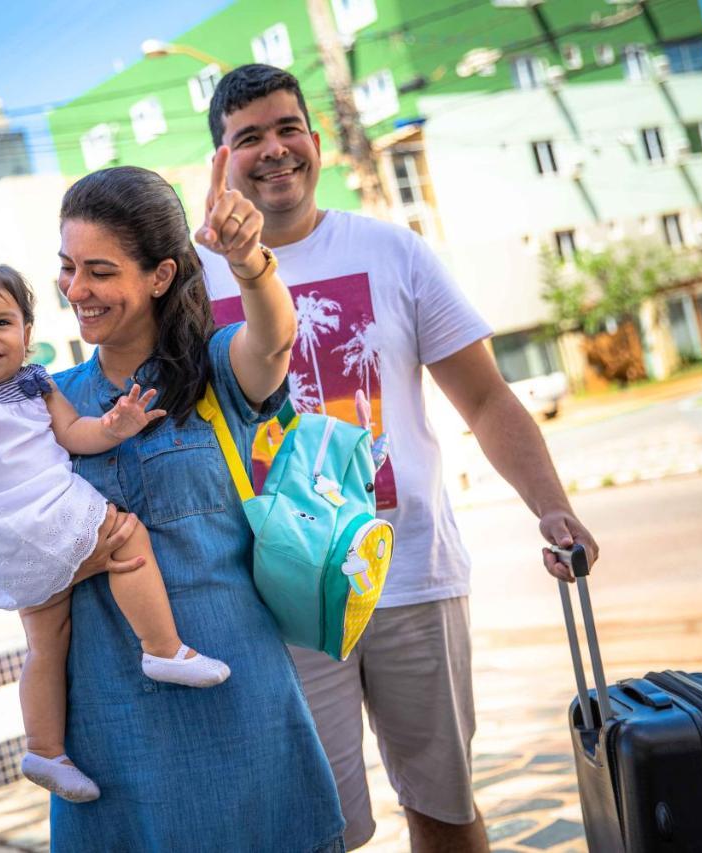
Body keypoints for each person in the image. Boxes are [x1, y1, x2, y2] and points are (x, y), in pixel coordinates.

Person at [197, 64, 601, 852]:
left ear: (316, 142)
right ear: (220, 161)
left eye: (288, 129)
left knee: (443, 810)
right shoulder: (194, 279)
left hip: (410, 570)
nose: (274, 150)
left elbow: (485, 398)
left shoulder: (392, 251)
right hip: (277, 598)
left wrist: (553, 507)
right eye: (249, 138)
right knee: (318, 828)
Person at [50, 162, 346, 850]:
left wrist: (248, 261)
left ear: (159, 276)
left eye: (98, 270)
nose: (76, 289)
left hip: (235, 696)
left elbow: (272, 339)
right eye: (67, 268)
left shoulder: (213, 370)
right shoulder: (53, 404)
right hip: (107, 712)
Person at [0, 240, 232, 803]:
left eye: (3, 322)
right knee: (128, 538)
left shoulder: (36, 383)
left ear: (27, 332)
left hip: (22, 543)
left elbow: (76, 434)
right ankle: (162, 647)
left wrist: (115, 426)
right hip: (28, 522)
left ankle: (44, 750)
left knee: (47, 643)